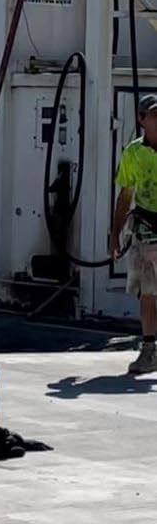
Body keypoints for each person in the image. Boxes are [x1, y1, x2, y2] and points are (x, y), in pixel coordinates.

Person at [110, 92, 157, 375]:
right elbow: (125, 195)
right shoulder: (133, 153)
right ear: (142, 120)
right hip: (147, 230)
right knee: (147, 293)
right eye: (154, 115)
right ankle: (149, 350)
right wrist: (114, 234)